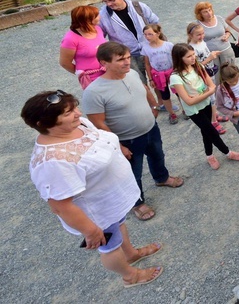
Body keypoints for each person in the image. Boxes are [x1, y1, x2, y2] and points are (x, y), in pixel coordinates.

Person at [23, 90, 164, 288]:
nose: (79, 114)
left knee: (119, 225)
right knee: (110, 247)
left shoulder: (77, 125)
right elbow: (60, 206)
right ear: (44, 123)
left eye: (74, 108)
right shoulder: (52, 161)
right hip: (97, 213)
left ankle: (131, 254)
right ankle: (130, 276)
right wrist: (90, 231)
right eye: (68, 113)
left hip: (112, 200)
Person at [82, 42, 184, 222]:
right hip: (127, 140)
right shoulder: (94, 92)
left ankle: (162, 178)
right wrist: (118, 145)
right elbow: (97, 122)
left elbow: (144, 89)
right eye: (120, 59)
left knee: (158, 156)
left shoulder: (133, 74)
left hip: (150, 129)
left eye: (128, 57)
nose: (127, 62)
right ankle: (137, 203)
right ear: (104, 63)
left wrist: (154, 105)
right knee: (131, 173)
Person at [169, 43, 239, 170]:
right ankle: (228, 153)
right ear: (179, 58)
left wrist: (204, 94)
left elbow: (212, 85)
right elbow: (188, 101)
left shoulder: (197, 66)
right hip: (193, 111)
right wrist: (208, 92)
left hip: (205, 104)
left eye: (193, 54)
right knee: (211, 130)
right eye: (189, 56)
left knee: (206, 131)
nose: (193, 58)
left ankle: (209, 155)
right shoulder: (176, 77)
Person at [98, 0, 159, 84]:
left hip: (149, 50)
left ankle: (161, 100)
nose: (108, 4)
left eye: (111, 0)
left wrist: (157, 44)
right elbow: (100, 37)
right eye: (105, 1)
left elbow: (155, 23)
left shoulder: (139, 6)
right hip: (127, 56)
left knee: (157, 80)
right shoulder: (103, 16)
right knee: (139, 84)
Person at [187, 21, 228, 134]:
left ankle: (214, 115)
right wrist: (210, 58)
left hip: (209, 73)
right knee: (211, 98)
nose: (202, 36)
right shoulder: (191, 49)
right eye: (198, 34)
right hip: (202, 76)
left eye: (203, 33)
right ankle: (213, 122)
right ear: (190, 35)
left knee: (213, 96)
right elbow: (194, 67)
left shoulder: (202, 42)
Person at [59, 5, 107, 89]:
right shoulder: (70, 39)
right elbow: (64, 63)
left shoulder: (98, 29)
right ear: (87, 20)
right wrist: (81, 74)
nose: (100, 17)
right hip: (91, 80)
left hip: (108, 72)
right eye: (96, 16)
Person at [141, 24, 179, 125]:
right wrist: (150, 79)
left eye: (150, 34)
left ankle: (185, 110)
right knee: (164, 95)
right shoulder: (146, 48)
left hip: (171, 73)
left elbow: (175, 59)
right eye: (145, 35)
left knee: (179, 92)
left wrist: (177, 71)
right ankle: (171, 113)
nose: (147, 37)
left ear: (158, 33)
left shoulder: (168, 45)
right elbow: (147, 64)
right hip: (159, 76)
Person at [194, 1, 235, 72]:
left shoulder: (219, 18)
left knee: (230, 73)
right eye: (205, 12)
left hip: (226, 50)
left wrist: (226, 36)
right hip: (211, 55)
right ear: (200, 14)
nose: (209, 13)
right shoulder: (197, 25)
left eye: (209, 10)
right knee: (216, 76)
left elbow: (228, 31)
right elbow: (196, 41)